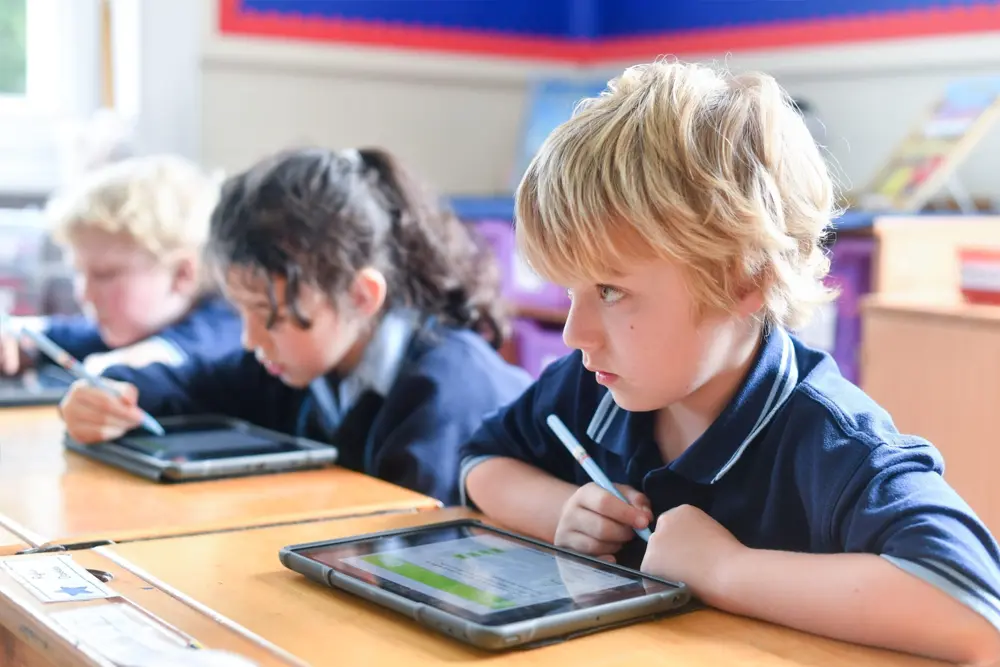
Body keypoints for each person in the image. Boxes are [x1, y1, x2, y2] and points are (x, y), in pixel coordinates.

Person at [459, 60, 1000, 663]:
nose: (572, 333)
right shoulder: (597, 387)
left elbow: (976, 608)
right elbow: (483, 463)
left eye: (610, 292)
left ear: (747, 279)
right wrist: (565, 510)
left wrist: (726, 569)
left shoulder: (830, 442)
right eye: (569, 292)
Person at [59, 147, 531, 505]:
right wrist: (109, 393)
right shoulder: (300, 361)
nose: (250, 338)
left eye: (272, 316)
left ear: (361, 295)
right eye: (242, 311)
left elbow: (409, 548)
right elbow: (195, 383)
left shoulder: (443, 394)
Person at [1, 155, 241, 377]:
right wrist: (17, 339)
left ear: (182, 274)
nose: (84, 294)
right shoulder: (137, 324)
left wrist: (112, 368)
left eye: (104, 275)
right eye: (80, 273)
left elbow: (166, 355)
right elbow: (64, 335)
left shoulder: (227, 327)